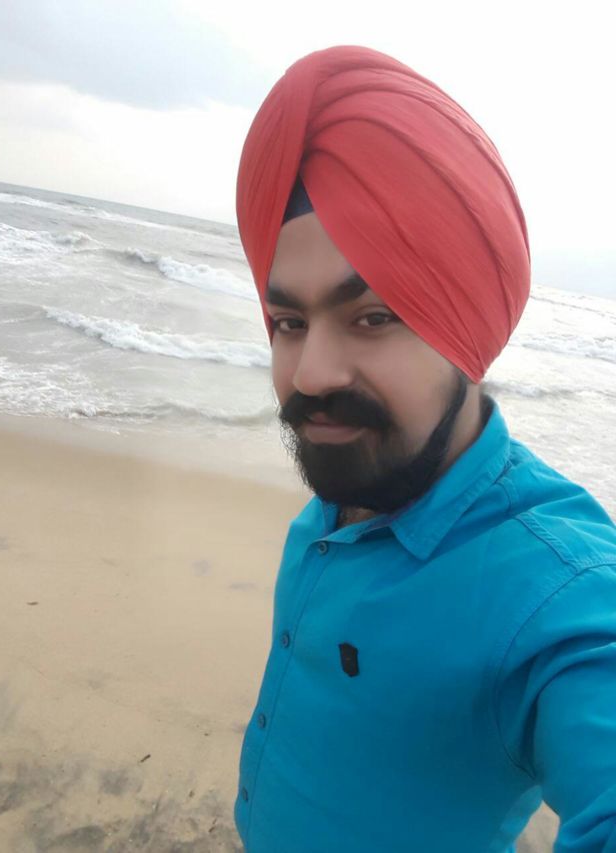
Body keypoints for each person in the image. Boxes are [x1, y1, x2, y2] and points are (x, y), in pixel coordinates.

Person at [232, 45, 616, 852]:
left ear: (465, 330)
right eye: (289, 321)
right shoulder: (352, 485)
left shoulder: (553, 591)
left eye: (373, 317)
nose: (311, 372)